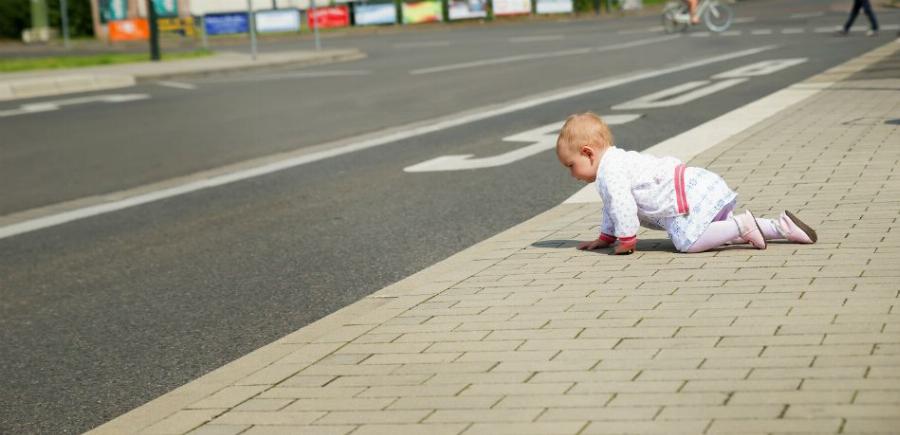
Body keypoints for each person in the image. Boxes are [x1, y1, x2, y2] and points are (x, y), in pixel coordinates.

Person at [555, 112, 817, 255]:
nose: (572, 174)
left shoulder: (609, 172)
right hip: (693, 187)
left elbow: (621, 205)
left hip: (682, 201)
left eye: (571, 165)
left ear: (588, 153)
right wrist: (605, 237)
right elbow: (612, 208)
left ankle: (742, 224)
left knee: (688, 242)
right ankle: (781, 227)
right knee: (719, 233)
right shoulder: (616, 162)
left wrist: (626, 239)